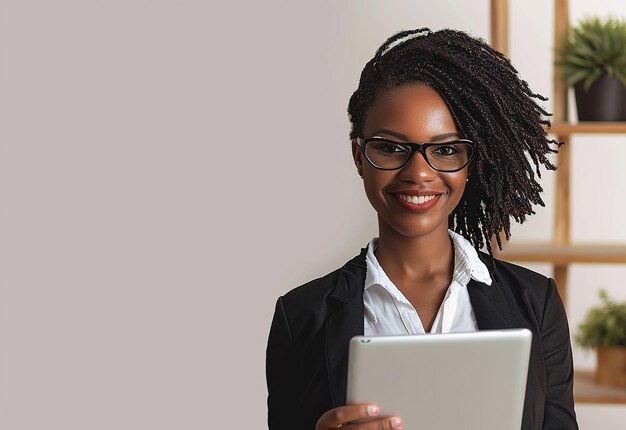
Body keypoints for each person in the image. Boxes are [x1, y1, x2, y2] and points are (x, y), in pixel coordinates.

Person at [266, 28, 578, 430]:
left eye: (445, 149)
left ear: (470, 162)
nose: (418, 173)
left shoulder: (536, 302)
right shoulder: (301, 316)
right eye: (391, 147)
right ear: (359, 156)